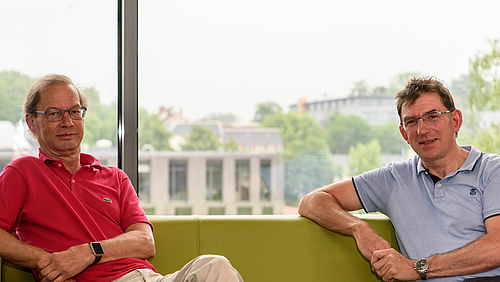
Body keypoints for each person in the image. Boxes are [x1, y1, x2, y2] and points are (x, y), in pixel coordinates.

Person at [0, 74, 244, 282]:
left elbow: (145, 242)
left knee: (214, 266)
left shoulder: (114, 177)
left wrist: (88, 252)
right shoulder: (23, 171)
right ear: (32, 122)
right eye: (54, 114)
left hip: (149, 277)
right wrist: (49, 261)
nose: (68, 122)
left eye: (75, 111)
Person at [298, 77, 500, 282]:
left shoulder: (492, 169)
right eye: (411, 121)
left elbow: (497, 246)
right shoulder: (393, 178)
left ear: (455, 120)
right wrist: (358, 228)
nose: (422, 130)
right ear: (404, 133)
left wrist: (418, 268)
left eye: (432, 116)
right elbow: (311, 201)